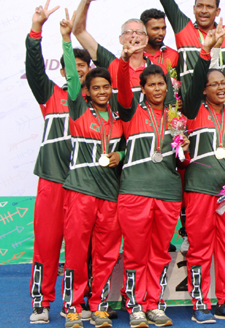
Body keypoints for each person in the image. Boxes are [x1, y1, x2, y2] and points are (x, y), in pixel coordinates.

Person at [181, 28, 225, 323]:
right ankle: (200, 302)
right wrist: (205, 54)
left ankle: (224, 300)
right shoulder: (192, 113)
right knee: (199, 249)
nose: (221, 88)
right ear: (204, 88)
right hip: (199, 191)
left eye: (224, 83)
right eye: (214, 84)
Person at [25, 1, 92, 325]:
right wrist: (36, 30)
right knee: (47, 245)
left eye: (83, 67)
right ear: (64, 69)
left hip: (81, 186)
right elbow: (35, 68)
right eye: (72, 66)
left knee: (78, 250)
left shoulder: (97, 106)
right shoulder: (51, 96)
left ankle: (73, 304)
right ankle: (41, 302)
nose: (77, 71)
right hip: (51, 182)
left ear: (89, 72)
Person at [115, 42, 187, 327]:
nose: (157, 89)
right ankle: (134, 305)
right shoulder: (131, 113)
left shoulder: (175, 119)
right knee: (135, 252)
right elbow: (121, 88)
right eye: (152, 84)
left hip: (168, 193)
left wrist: (184, 147)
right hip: (135, 192)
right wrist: (123, 62)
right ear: (142, 89)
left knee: (159, 253)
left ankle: (154, 303)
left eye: (162, 84)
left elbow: (182, 161)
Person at [60, 27, 124, 328]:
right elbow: (72, 78)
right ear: (88, 91)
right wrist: (65, 39)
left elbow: (124, 149)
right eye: (96, 88)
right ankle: (72, 307)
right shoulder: (78, 110)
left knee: (106, 254)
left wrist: (120, 157)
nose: (101, 92)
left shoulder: (118, 121)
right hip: (81, 192)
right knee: (75, 253)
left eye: (105, 88)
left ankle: (98, 306)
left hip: (110, 196)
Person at [71, 0, 174, 108]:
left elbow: (171, 108)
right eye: (128, 32)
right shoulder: (112, 64)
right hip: (119, 127)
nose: (134, 36)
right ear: (120, 39)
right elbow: (79, 32)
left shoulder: (159, 70)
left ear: (146, 39)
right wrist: (85, 1)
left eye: (139, 32)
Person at [140, 8, 179, 73]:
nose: (161, 33)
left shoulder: (174, 55)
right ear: (143, 29)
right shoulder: (133, 57)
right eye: (156, 29)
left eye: (163, 28)